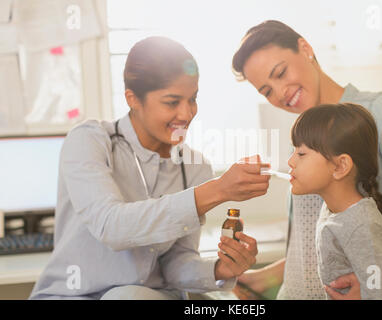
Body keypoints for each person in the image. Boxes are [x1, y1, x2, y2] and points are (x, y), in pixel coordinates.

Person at [29, 36, 270, 300]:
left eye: (193, 99)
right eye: (171, 102)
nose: (187, 114)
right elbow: (111, 226)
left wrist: (218, 269)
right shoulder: (89, 141)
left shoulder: (194, 166)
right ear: (132, 99)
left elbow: (175, 264)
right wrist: (218, 190)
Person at [231, 20, 382, 300]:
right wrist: (262, 279)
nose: (280, 92)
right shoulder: (301, 145)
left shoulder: (380, 114)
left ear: (305, 48)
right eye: (266, 91)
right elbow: (325, 248)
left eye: (281, 72)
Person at [290, 102, 382, 299]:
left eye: (301, 154)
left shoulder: (360, 226)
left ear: (340, 166)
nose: (291, 161)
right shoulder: (334, 213)